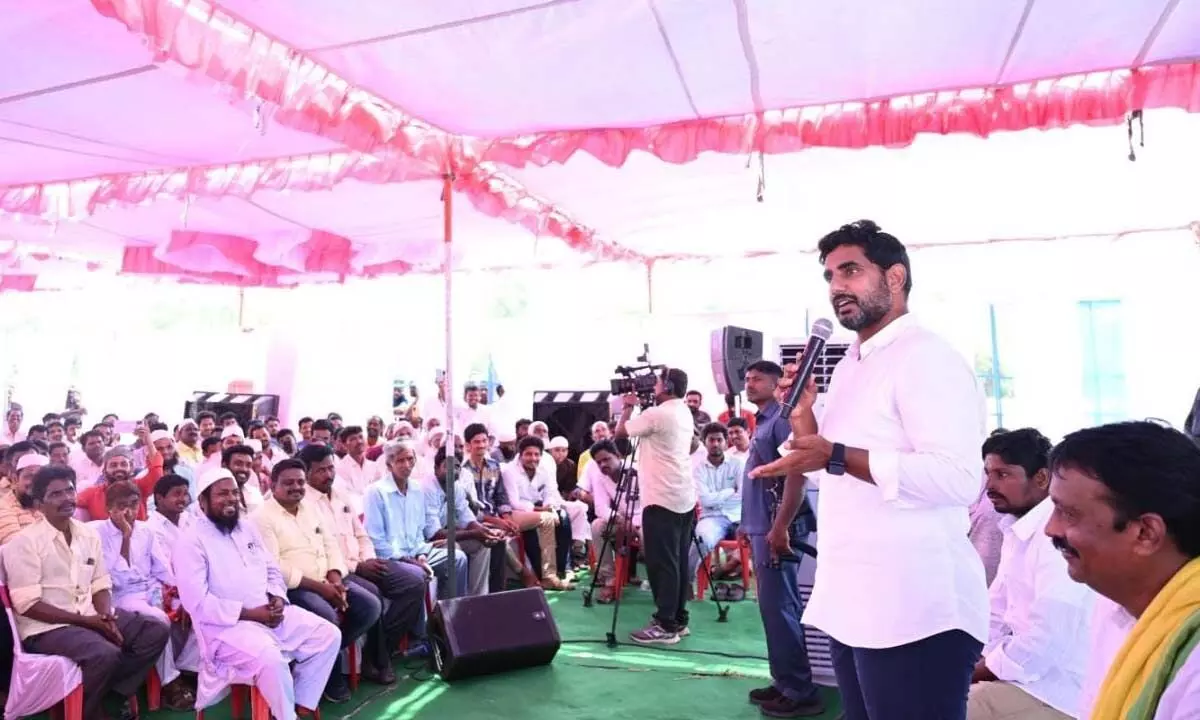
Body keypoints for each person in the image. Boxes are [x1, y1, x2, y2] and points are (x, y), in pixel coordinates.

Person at [752, 220, 988, 720]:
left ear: (895, 278)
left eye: (852, 271)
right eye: (831, 276)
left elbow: (957, 479)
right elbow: (834, 470)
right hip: (853, 602)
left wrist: (835, 453)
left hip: (913, 610)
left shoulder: (927, 357)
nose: (837, 286)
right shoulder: (850, 364)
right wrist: (804, 419)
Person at [1050, 422, 1200, 719]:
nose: (1050, 529)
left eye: (1068, 513)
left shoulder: (1193, 652)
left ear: (1145, 533)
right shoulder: (1114, 610)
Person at [3, 464, 169, 720]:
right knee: (104, 653)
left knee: (155, 630)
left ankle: (108, 694)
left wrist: (107, 617)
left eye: (69, 490)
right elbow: (28, 604)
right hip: (46, 628)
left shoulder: (86, 534)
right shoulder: (23, 543)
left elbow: (100, 582)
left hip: (90, 615)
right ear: (39, 504)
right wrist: (88, 622)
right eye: (55, 494)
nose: (67, 498)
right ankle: (89, 712)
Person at [174, 467, 341, 720]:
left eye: (233, 493)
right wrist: (251, 614)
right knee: (270, 659)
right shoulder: (190, 541)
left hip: (268, 614)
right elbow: (197, 602)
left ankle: (301, 703)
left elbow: (272, 569)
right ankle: (286, 716)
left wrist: (276, 598)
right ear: (203, 502)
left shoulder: (247, 528)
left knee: (327, 634)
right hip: (226, 629)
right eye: (222, 494)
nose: (230, 499)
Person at [968, 429, 1094, 720]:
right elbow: (995, 611)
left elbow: (1043, 641)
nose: (990, 485)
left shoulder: (1056, 538)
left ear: (1041, 478)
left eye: (1003, 475)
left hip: (1059, 692)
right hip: (1023, 678)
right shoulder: (1015, 527)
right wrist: (973, 660)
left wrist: (980, 670)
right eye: (987, 473)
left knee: (935, 708)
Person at [732, 359, 825, 717]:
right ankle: (784, 680)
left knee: (781, 608)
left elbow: (797, 476)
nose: (750, 383)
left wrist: (779, 527)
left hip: (777, 528)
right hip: (763, 525)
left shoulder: (784, 418)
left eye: (758, 379)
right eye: (748, 378)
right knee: (774, 610)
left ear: (776, 385)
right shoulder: (765, 419)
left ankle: (800, 691)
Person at [252, 459, 382, 703]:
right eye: (288, 483)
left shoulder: (309, 508)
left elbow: (330, 544)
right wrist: (322, 588)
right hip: (293, 589)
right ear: (273, 484)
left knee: (370, 606)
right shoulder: (261, 517)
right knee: (328, 618)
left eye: (300, 482)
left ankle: (317, 661)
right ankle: (331, 681)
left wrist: (334, 578)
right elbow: (273, 566)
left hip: (325, 580)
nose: (296, 487)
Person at [298, 447, 427, 685]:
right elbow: (325, 549)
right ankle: (377, 661)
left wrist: (367, 559)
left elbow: (361, 533)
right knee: (372, 593)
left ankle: (379, 652)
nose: (328, 475)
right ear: (306, 473)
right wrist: (357, 567)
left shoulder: (339, 493)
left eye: (330, 468)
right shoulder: (303, 502)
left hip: (364, 560)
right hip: (340, 570)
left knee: (415, 582)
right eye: (321, 471)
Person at [97, 481, 199, 710]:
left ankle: (191, 669)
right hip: (118, 596)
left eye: (134, 505)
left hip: (149, 590)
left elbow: (162, 569)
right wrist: (125, 536)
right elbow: (111, 576)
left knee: (197, 605)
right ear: (108, 508)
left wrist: (182, 594)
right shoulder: (97, 532)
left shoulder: (146, 531)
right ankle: (170, 683)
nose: (129, 512)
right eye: (121, 506)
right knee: (157, 620)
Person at [614, 367, 697, 645]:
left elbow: (620, 436)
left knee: (662, 563)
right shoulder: (683, 411)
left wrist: (627, 408)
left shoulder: (657, 414)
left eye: (657, 382)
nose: (654, 386)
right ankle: (678, 618)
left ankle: (665, 625)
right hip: (683, 497)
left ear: (668, 386)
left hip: (662, 498)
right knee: (678, 561)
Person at [363, 441, 469, 598]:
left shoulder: (416, 489)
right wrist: (408, 559)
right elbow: (377, 542)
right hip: (391, 558)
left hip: (416, 553)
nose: (406, 465)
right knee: (417, 574)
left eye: (410, 459)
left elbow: (419, 532)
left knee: (458, 558)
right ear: (389, 464)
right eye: (400, 460)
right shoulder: (376, 492)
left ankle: (451, 612)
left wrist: (421, 554)